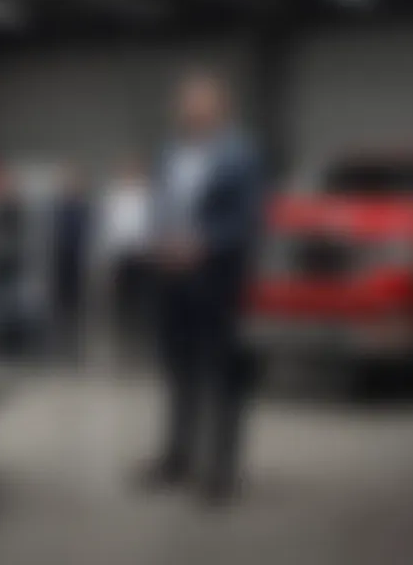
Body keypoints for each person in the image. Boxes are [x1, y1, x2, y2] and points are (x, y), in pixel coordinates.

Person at [140, 70, 264, 505]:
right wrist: (158, 239)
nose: (190, 108)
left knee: (222, 374)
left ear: (220, 106)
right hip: (172, 277)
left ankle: (223, 469)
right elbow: (158, 204)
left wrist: (202, 243)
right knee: (177, 369)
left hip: (217, 279)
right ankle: (177, 456)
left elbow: (247, 219)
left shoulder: (241, 155)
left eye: (199, 100)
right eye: (185, 100)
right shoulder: (168, 154)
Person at [97, 159, 152, 367]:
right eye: (127, 171)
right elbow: (107, 226)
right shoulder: (114, 196)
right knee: (122, 297)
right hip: (120, 254)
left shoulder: (150, 194)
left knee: (143, 296)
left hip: (143, 253)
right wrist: (106, 254)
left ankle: (143, 335)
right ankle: (124, 334)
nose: (131, 175)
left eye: (134, 171)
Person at [52, 165, 92, 363]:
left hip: (78, 259)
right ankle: (61, 342)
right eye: (70, 183)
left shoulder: (85, 208)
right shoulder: (59, 208)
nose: (72, 186)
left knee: (77, 303)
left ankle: (76, 345)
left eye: (76, 183)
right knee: (61, 302)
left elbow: (90, 235)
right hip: (60, 259)